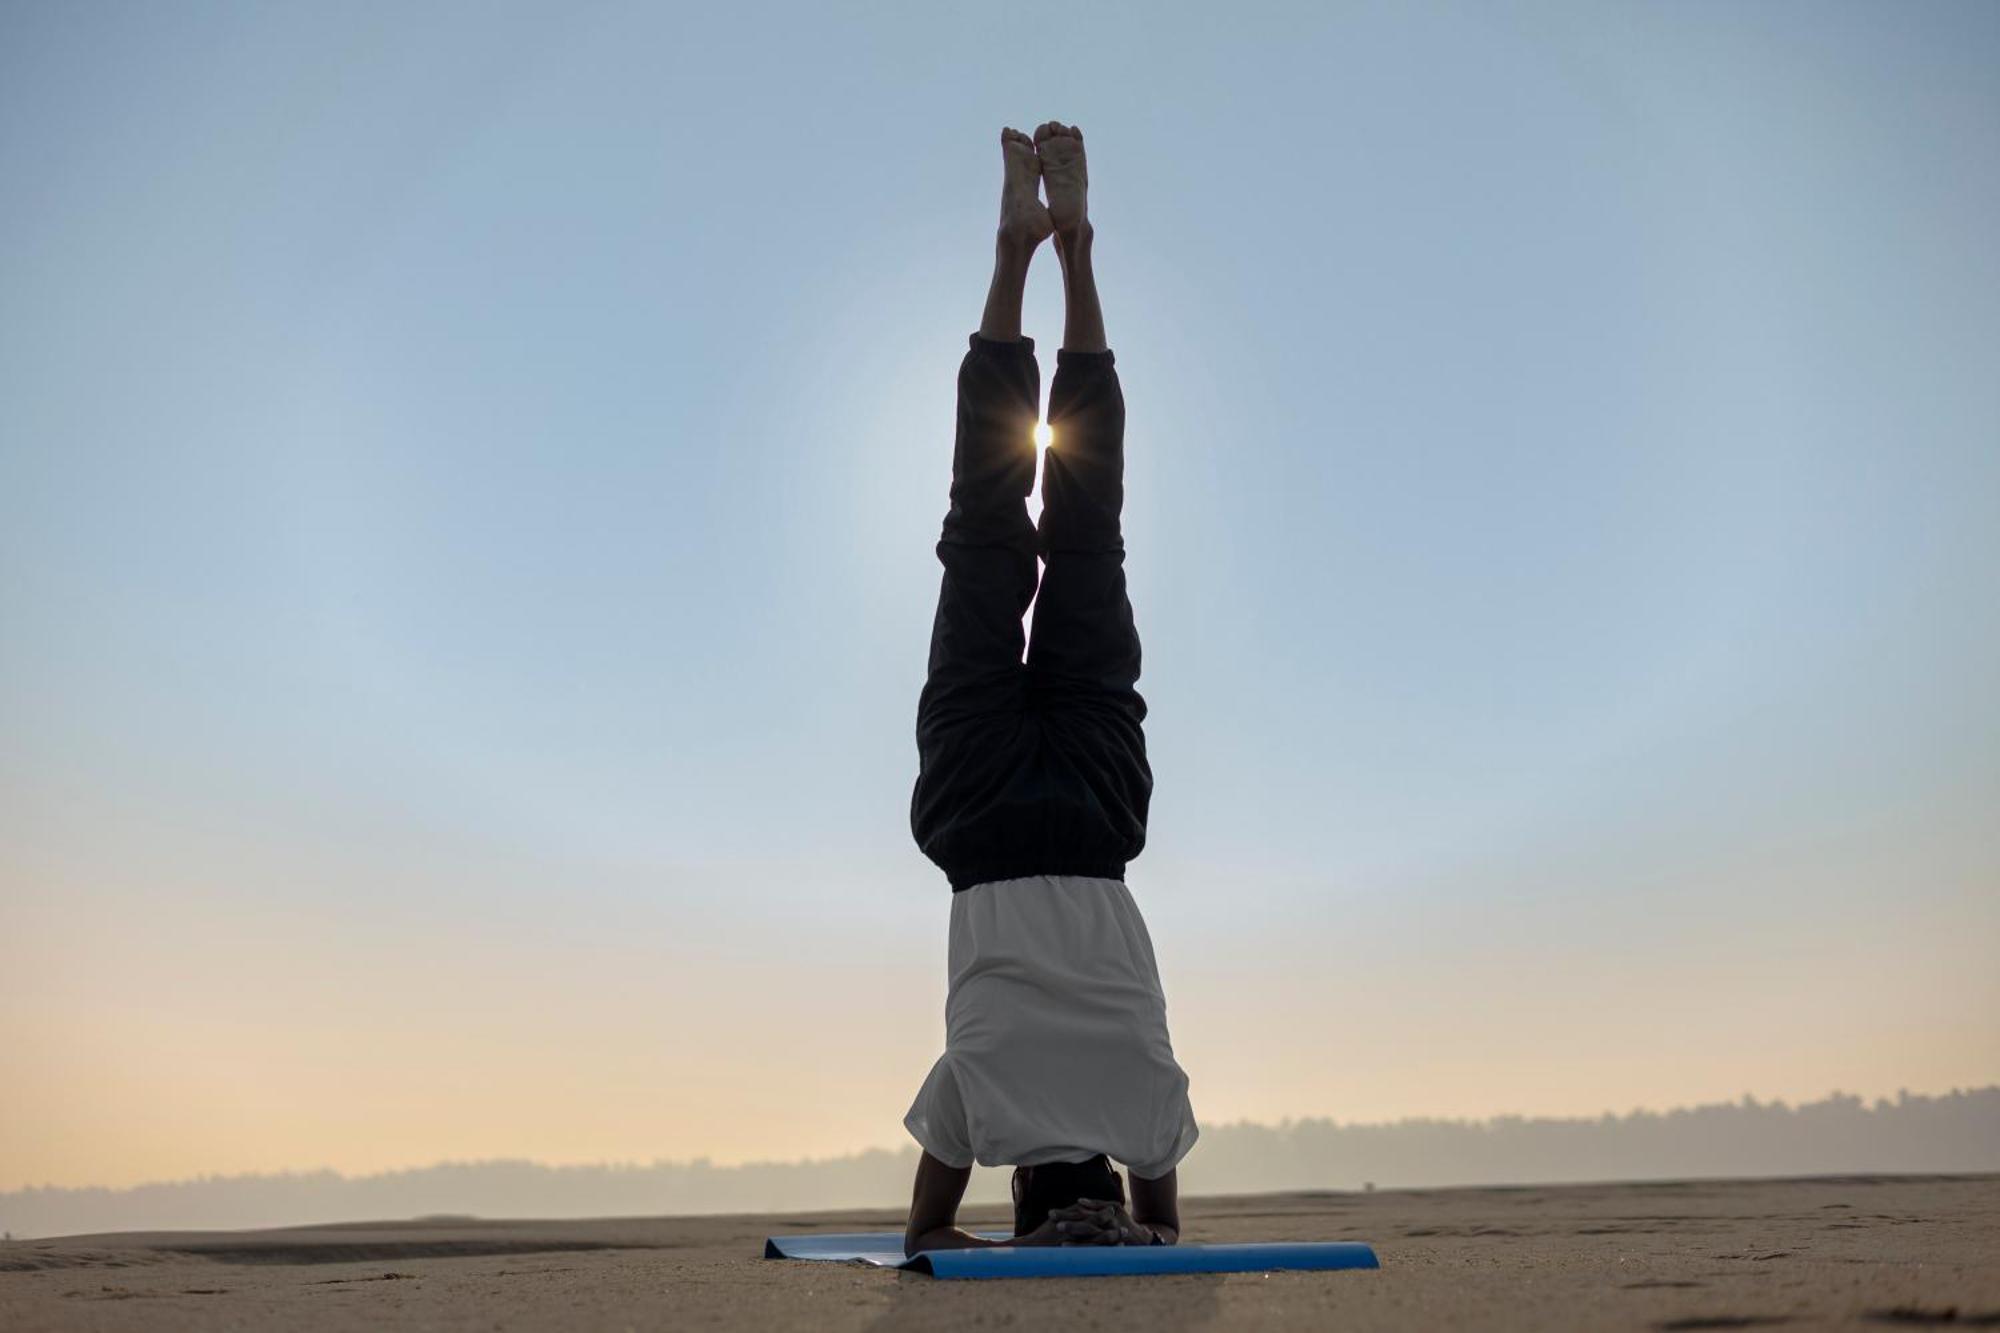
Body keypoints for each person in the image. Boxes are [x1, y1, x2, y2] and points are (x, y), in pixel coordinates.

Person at [901, 121, 1198, 1257]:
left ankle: (1067, 254)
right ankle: (1019, 249)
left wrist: (1130, 1224)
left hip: (1091, 816)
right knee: (983, 533)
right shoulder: (979, 1106)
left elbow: (1163, 1224)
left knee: (1087, 535)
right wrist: (998, 1244)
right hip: (979, 818)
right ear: (1019, 1188)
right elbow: (927, 1233)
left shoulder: (1147, 1112)